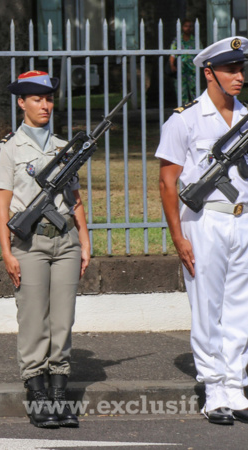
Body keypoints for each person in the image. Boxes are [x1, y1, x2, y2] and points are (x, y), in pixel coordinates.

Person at [0, 70, 90, 429]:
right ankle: (37, 393)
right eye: (37, 99)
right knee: (33, 318)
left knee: (62, 319)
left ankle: (60, 394)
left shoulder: (63, 146)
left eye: (48, 99)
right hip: (28, 243)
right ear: (21, 102)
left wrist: (85, 238)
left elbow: (74, 197)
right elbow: (1, 205)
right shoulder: (9, 149)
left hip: (64, 240)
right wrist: (6, 251)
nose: (45, 105)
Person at [156, 36, 248, 426]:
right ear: (209, 73)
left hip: (242, 217)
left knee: (240, 306)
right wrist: (178, 236)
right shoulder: (185, 119)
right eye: (231, 69)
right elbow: (167, 182)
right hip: (205, 219)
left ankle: (235, 384)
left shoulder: (246, 116)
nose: (239, 76)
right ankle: (214, 390)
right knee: (207, 306)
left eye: (242, 69)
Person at [170, 19, 198, 105]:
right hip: (180, 70)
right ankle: (183, 108)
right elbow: (172, 54)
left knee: (194, 91)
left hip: (193, 70)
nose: (188, 28)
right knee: (181, 91)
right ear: (182, 27)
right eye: (186, 26)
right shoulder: (177, 40)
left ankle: (196, 108)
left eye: (190, 26)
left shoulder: (195, 40)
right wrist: (172, 65)